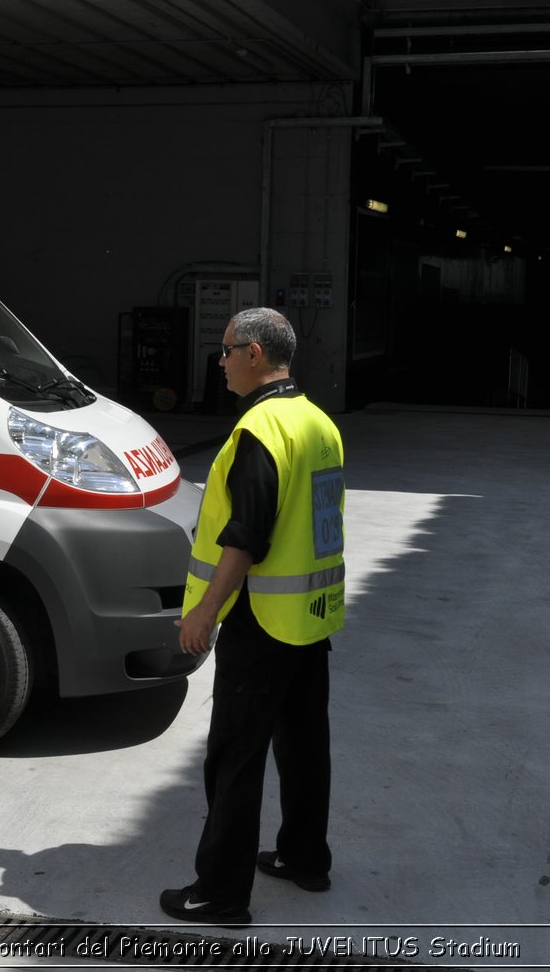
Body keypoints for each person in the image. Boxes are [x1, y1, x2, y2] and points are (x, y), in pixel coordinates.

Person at [161, 307, 345, 926]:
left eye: (227, 349)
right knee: (303, 746)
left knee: (235, 757)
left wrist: (206, 614)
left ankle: (220, 893)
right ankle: (304, 858)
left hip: (260, 620)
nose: (221, 360)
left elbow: (247, 536)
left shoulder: (261, 429)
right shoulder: (318, 423)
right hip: (310, 618)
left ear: (256, 355)